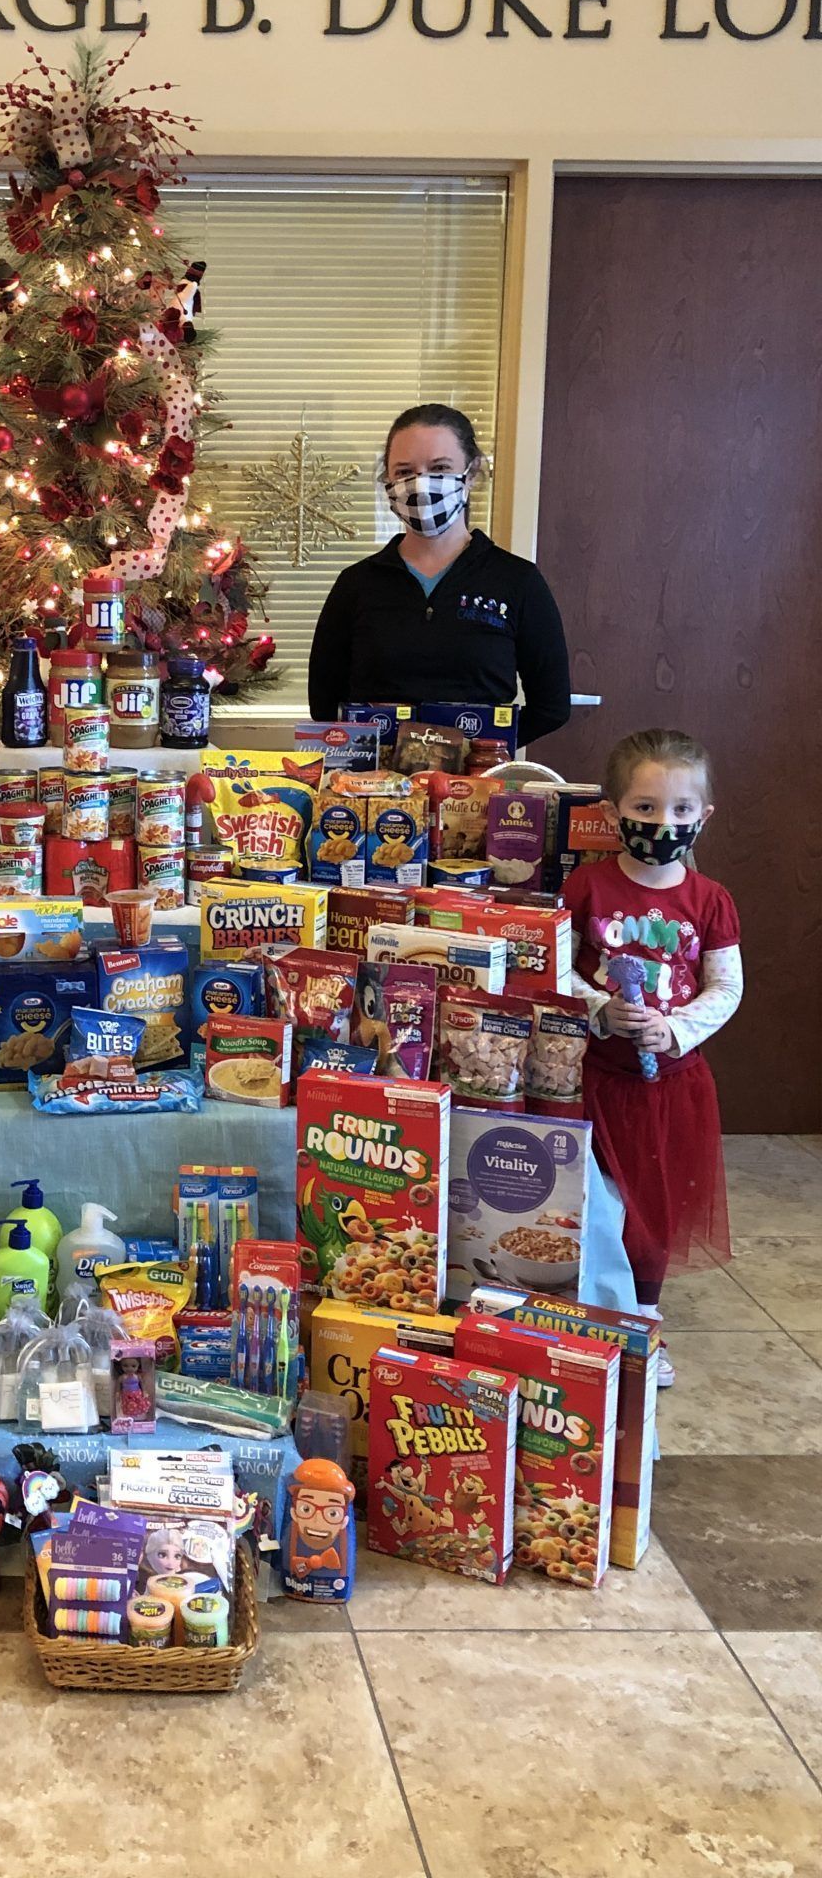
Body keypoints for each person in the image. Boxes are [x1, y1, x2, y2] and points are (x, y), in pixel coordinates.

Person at [561, 728, 742, 1387]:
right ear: (612, 813)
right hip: (594, 1077)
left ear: (704, 816)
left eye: (680, 810)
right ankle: (592, 1314)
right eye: (644, 808)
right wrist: (599, 1007)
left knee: (653, 1214)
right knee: (595, 1206)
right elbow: (554, 969)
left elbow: (727, 987)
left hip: (671, 1087)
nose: (663, 823)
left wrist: (676, 1028)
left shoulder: (710, 901)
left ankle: (643, 1324)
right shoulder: (585, 888)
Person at [306, 403, 571, 746]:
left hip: (477, 788)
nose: (420, 483)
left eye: (440, 467)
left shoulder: (518, 582)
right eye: (404, 471)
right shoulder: (356, 585)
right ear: (387, 482)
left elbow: (552, 706)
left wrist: (488, 746)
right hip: (371, 789)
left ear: (472, 473)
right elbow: (324, 703)